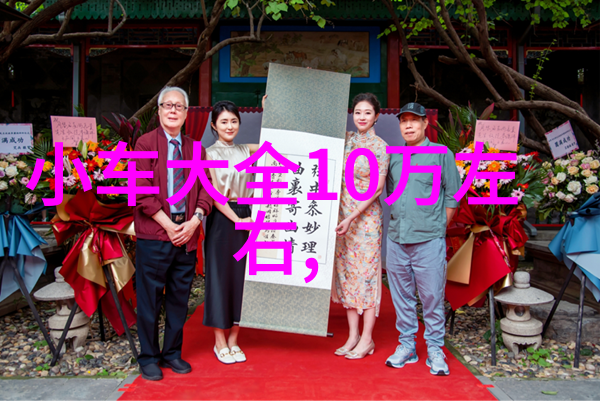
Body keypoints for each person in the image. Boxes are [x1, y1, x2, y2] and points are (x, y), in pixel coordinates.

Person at [134, 86, 213, 381]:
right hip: (155, 234)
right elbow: (141, 191)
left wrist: (194, 222)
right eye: (167, 105)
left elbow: (206, 189)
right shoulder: (145, 144)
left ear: (186, 113)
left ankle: (172, 353)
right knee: (150, 300)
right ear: (158, 111)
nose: (173, 110)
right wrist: (169, 226)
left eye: (179, 106)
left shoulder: (196, 149)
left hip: (187, 233)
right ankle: (148, 357)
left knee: (180, 299)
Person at [384, 102, 461, 376]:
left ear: (425, 123)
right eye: (403, 120)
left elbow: (453, 194)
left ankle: (435, 348)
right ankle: (407, 346)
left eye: (414, 120)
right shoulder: (394, 157)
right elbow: (391, 193)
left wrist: (439, 227)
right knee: (401, 298)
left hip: (428, 240)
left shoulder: (441, 154)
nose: (408, 125)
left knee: (431, 297)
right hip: (397, 239)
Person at [333, 93, 390, 360]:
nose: (362, 117)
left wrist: (352, 217)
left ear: (377, 116)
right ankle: (353, 335)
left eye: (367, 112)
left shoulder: (381, 147)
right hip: (342, 216)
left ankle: (367, 339)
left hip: (365, 219)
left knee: (366, 275)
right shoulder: (346, 140)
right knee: (347, 274)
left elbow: (377, 188)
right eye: (357, 112)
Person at [203, 100, 259, 364]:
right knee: (219, 278)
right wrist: (238, 219)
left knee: (243, 279)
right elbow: (214, 194)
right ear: (214, 125)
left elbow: (277, 144)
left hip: (248, 214)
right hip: (223, 219)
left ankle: (234, 339)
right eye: (223, 121)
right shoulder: (207, 154)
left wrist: (272, 109)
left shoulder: (247, 150)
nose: (229, 126)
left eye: (234, 121)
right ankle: (219, 341)